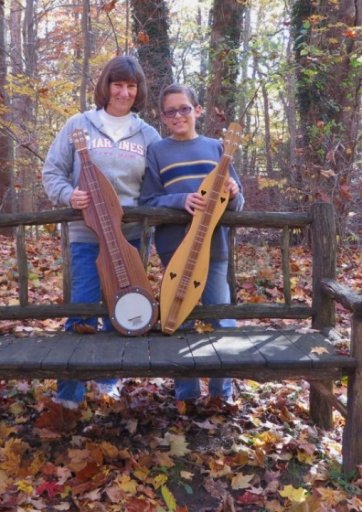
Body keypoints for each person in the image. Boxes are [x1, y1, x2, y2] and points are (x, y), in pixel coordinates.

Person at [42, 55, 160, 409]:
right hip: (86, 237)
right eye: (117, 84)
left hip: (131, 240)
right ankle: (69, 395)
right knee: (82, 312)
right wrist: (69, 195)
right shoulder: (79, 125)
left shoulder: (148, 134)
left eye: (131, 86)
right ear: (106, 86)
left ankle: (108, 381)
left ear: (138, 91)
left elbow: (158, 185)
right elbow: (53, 172)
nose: (124, 92)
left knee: (122, 310)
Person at [140, 83, 244, 408]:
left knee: (220, 318)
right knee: (178, 319)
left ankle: (220, 393)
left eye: (184, 108)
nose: (178, 116)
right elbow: (148, 201)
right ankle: (186, 394)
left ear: (197, 110)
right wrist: (179, 200)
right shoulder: (157, 151)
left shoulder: (217, 149)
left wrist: (234, 191)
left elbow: (238, 206)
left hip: (214, 251)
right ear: (163, 117)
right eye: (171, 111)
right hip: (174, 248)